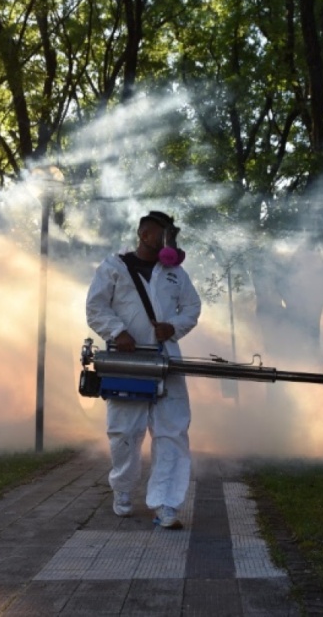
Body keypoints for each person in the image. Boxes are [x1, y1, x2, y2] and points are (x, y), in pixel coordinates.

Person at [86, 211, 202, 529]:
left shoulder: (176, 273)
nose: (170, 242)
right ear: (145, 235)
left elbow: (192, 307)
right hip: (128, 361)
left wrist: (173, 327)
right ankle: (123, 490)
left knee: (172, 432)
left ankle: (166, 504)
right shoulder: (113, 268)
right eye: (165, 235)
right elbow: (96, 307)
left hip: (166, 360)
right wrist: (116, 331)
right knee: (124, 432)